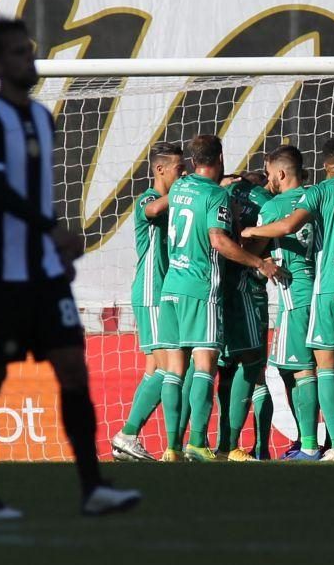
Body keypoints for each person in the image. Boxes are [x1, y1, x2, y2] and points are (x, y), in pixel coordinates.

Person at [0, 17, 140, 517]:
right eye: (18, 53)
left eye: (29, 50)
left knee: (73, 371)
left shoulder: (42, 117)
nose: (29, 59)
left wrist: (58, 242)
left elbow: (35, 191)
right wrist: (50, 228)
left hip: (44, 275)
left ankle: (92, 486)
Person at [243, 136, 334, 461]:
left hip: (313, 290)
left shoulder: (311, 196)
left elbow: (286, 227)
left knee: (306, 370)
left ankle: (320, 444)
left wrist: (250, 233)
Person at [156, 135, 283, 462]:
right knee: (207, 365)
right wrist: (259, 262)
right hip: (201, 288)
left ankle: (172, 446)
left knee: (174, 370)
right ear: (221, 157)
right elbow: (218, 240)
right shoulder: (217, 195)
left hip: (171, 286)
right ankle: (200, 443)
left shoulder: (179, 188)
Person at [111, 143, 185, 461]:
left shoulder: (177, 203)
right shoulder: (149, 198)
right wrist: (187, 190)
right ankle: (131, 434)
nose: (184, 176)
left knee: (157, 367)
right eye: (179, 171)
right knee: (172, 368)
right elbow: (153, 211)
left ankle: (129, 436)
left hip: (165, 291)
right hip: (152, 292)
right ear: (160, 170)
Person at [247, 146, 321, 460]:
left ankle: (309, 445)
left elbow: (253, 246)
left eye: (269, 174)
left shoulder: (275, 206)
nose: (268, 181)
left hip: (295, 295)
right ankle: (312, 440)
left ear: (280, 173)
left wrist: (247, 233)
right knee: (295, 369)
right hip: (322, 289)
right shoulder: (319, 198)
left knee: (302, 370)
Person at [214, 171, 275, 461]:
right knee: (255, 370)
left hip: (218, 290)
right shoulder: (269, 202)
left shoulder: (225, 191)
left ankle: (215, 443)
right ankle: (245, 447)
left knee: (221, 369)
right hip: (249, 291)